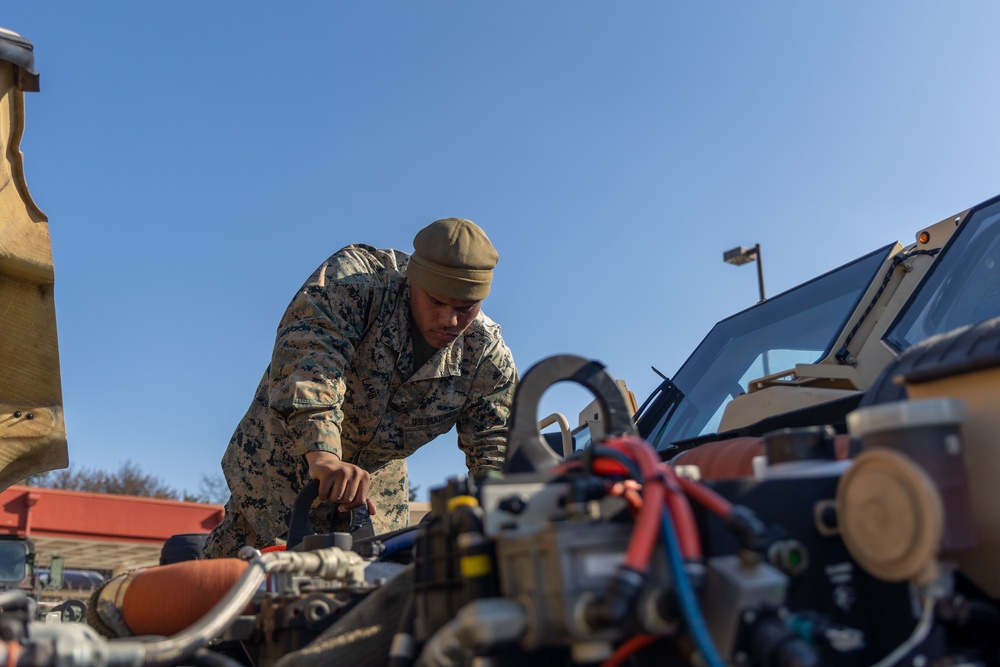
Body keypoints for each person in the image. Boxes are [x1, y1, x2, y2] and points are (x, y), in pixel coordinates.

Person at [202, 218, 517, 558]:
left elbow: (495, 446)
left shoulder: (486, 357)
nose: (449, 321)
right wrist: (323, 455)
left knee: (377, 592)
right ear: (413, 280)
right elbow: (311, 360)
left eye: (464, 308)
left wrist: (494, 518)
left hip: (371, 498)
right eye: (436, 302)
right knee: (222, 586)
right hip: (282, 468)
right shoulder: (358, 283)